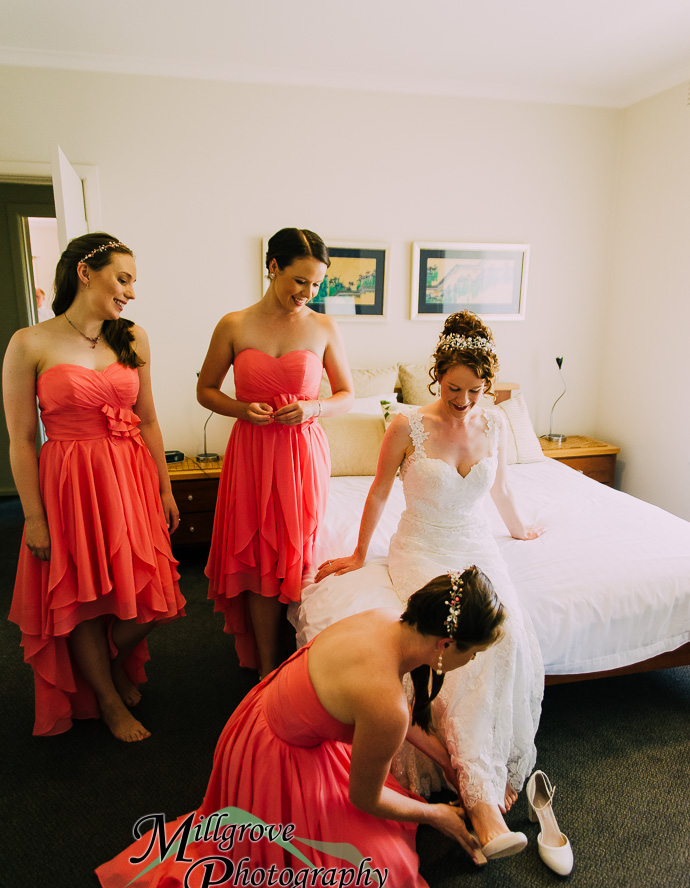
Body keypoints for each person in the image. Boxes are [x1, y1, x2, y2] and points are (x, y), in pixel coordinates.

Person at [95, 568, 505, 888]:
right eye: (472, 653)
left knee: (392, 826)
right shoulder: (387, 706)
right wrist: (437, 816)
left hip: (256, 721)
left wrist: (444, 760)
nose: (470, 662)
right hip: (273, 759)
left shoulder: (385, 621)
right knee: (385, 872)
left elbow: (384, 712)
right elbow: (364, 796)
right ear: (445, 645)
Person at [314, 310, 545, 856]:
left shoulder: (494, 424)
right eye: (452, 387)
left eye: (473, 390)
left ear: (487, 385)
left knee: (501, 636)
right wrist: (355, 553)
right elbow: (375, 493)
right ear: (437, 375)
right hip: (422, 548)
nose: (462, 400)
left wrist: (520, 530)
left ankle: (478, 776)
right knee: (452, 636)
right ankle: (481, 800)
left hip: (476, 546)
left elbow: (502, 491)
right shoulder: (406, 426)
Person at [3, 232, 185, 742]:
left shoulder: (132, 336)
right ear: (86, 273)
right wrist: (34, 517)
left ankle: (104, 662)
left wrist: (164, 489)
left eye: (133, 282)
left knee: (156, 597)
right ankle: (107, 700)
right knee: (84, 595)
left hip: (129, 476)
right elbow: (20, 440)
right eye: (122, 278)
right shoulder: (29, 342)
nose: (130, 291)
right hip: (69, 483)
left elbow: (147, 420)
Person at [198, 228, 354, 679]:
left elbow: (346, 393)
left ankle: (303, 658)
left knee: (298, 551)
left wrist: (313, 407)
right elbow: (205, 390)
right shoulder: (234, 324)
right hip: (251, 451)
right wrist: (240, 408)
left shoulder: (323, 326)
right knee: (259, 556)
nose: (308, 292)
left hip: (301, 452)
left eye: (317, 284)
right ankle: (267, 666)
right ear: (273, 268)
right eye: (300, 280)